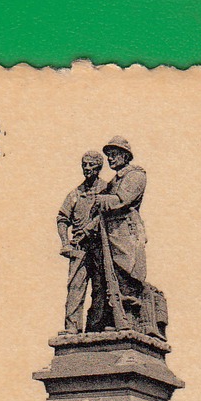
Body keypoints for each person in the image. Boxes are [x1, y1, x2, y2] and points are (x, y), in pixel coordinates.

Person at [95, 137, 167, 337]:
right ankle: (121, 318)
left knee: (128, 272)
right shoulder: (114, 181)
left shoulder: (135, 176)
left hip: (126, 230)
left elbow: (122, 200)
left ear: (125, 155)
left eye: (114, 154)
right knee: (115, 277)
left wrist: (99, 200)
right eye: (108, 155)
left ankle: (134, 319)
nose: (110, 158)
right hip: (112, 231)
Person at [57, 150, 108, 332]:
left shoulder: (107, 189)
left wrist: (89, 230)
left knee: (101, 286)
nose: (87, 168)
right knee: (75, 287)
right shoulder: (75, 194)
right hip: (79, 247)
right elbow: (62, 218)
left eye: (91, 165)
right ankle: (72, 327)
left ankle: (96, 327)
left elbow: (107, 214)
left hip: (101, 247)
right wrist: (65, 241)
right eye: (84, 165)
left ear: (99, 167)